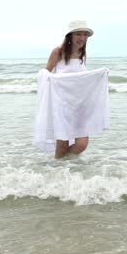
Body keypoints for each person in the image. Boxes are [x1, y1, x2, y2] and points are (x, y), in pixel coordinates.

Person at [45, 20, 94, 159]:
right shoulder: (58, 52)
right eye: (78, 34)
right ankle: (59, 172)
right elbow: (46, 73)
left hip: (79, 104)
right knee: (62, 144)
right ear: (70, 36)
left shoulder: (82, 54)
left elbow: (81, 79)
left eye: (85, 35)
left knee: (82, 144)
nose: (82, 38)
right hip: (61, 104)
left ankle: (62, 164)